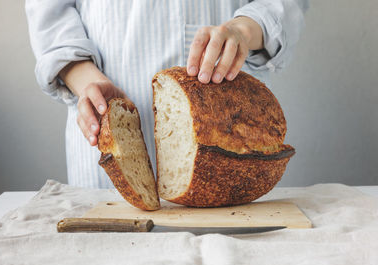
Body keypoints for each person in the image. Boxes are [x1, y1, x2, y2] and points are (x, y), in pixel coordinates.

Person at [25, 0, 308, 188]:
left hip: (232, 147)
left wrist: (243, 30)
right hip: (106, 139)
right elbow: (50, 17)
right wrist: (87, 82)